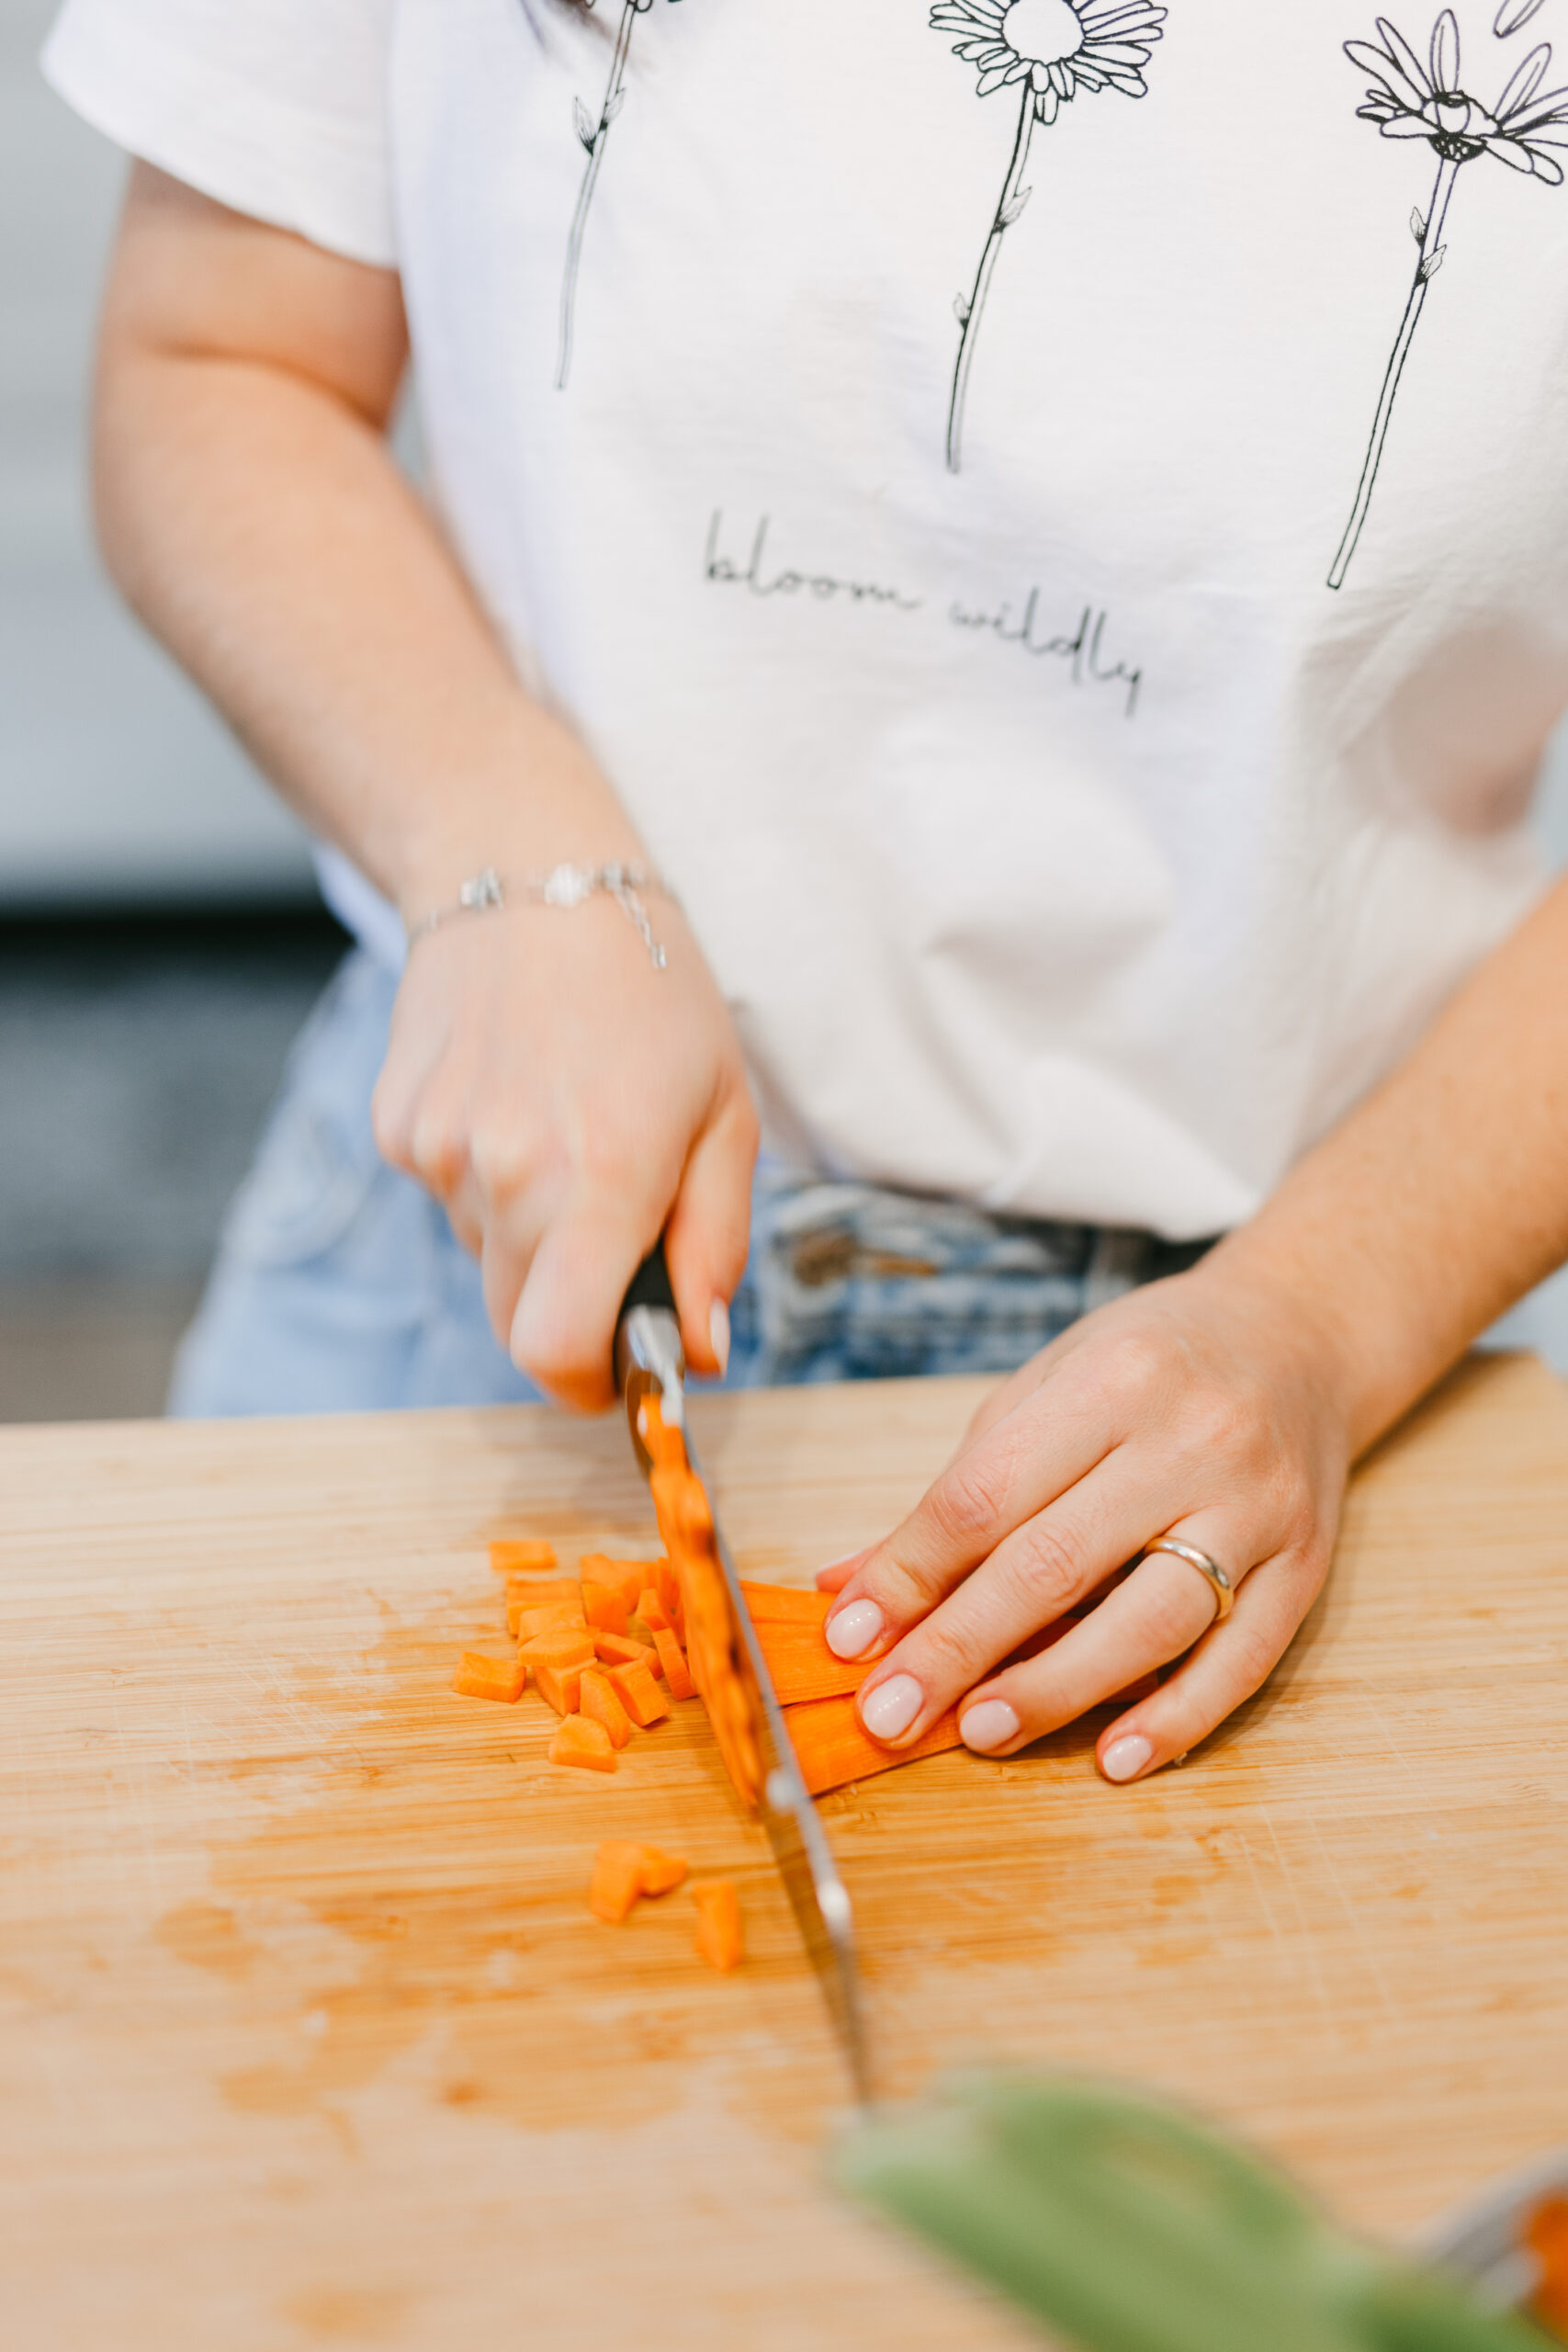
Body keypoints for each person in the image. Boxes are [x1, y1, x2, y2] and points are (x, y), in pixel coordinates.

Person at [44, 0, 1568, 1788]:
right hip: (459, 1261)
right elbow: (218, 361)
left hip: (1280, 1381)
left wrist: (1315, 1317)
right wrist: (508, 853)